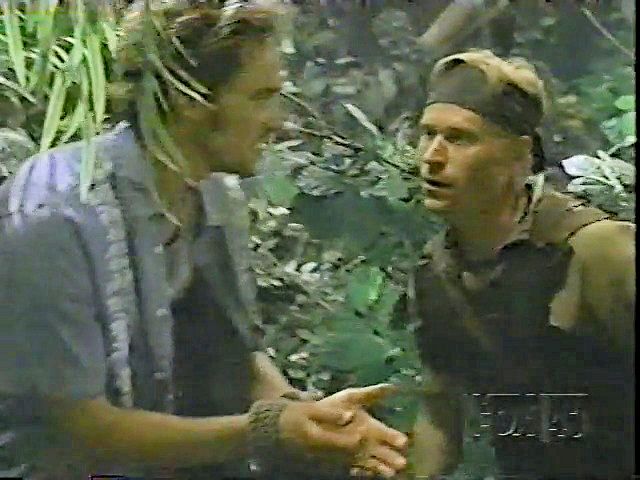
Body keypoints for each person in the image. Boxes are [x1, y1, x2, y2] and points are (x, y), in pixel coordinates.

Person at [0, 3, 408, 479]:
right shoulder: (57, 213)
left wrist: (315, 420)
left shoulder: (213, 194)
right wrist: (269, 429)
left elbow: (238, 354)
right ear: (188, 100)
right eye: (261, 97)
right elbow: (79, 432)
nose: (279, 121)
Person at [403, 49, 634, 479]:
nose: (432, 156)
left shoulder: (597, 251)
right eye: (427, 134)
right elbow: (440, 414)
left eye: (460, 138)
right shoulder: (437, 274)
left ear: (519, 156)